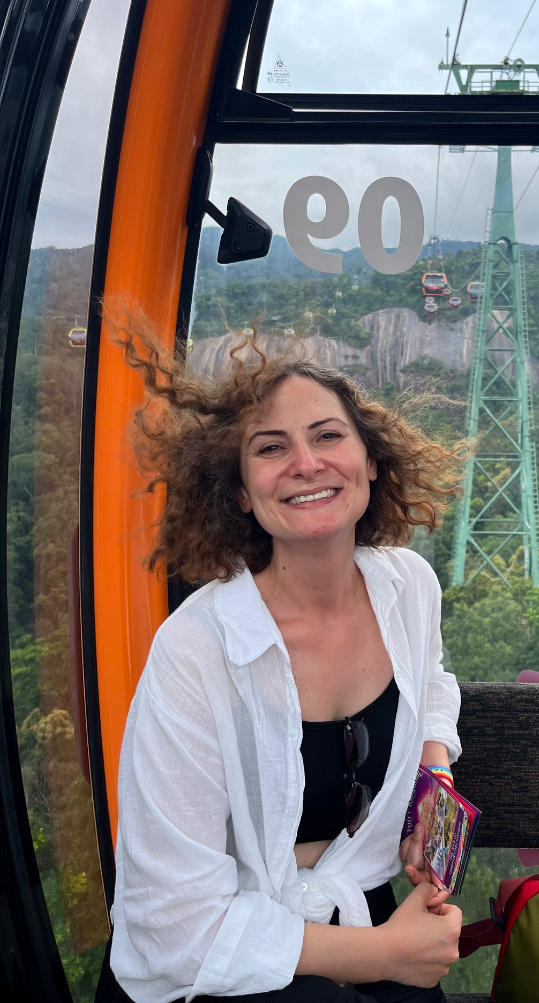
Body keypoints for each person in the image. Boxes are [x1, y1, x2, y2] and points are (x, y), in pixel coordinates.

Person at [95, 328, 466, 1003]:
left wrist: (431, 778)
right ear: (240, 492)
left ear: (371, 461)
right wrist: (385, 953)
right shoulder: (198, 648)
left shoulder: (408, 588)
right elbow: (174, 926)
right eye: (271, 448)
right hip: (225, 954)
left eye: (328, 436)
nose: (306, 463)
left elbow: (432, 679)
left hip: (358, 905)